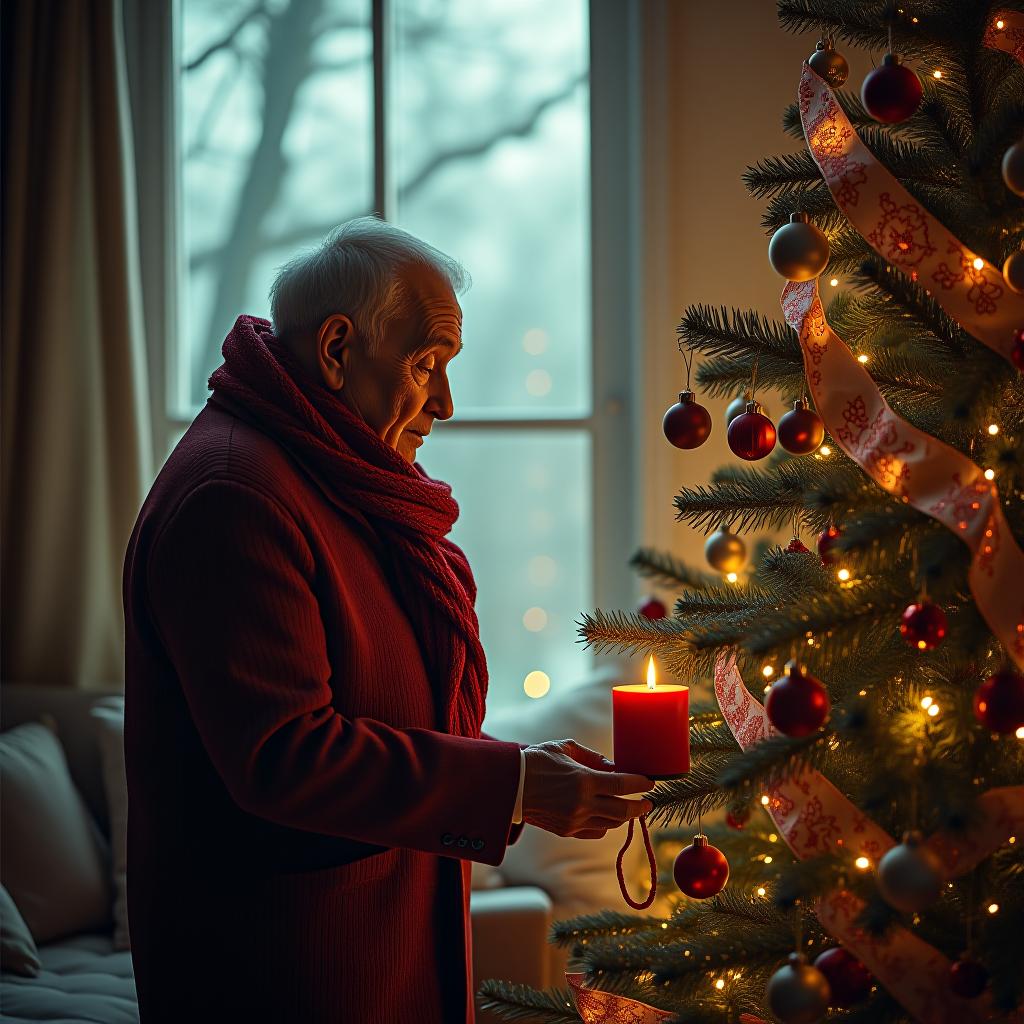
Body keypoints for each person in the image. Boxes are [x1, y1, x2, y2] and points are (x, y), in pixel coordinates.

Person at [122, 217, 655, 1023]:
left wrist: (517, 769)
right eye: (427, 364)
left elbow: (382, 709)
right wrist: (511, 785)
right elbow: (285, 755)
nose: (443, 402)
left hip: (369, 956)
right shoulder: (235, 496)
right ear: (337, 349)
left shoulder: (324, 471)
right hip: (292, 972)